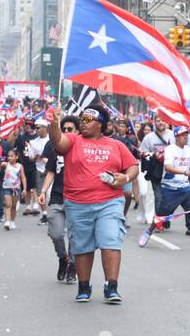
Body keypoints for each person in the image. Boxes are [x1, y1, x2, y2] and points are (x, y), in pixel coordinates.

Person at [47, 104, 139, 304]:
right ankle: (84, 286)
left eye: (89, 120)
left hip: (110, 202)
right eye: (82, 118)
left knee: (110, 240)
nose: (83, 122)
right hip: (78, 203)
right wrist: (54, 124)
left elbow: (133, 166)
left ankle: (111, 286)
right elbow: (58, 141)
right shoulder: (73, 140)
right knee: (82, 246)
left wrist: (125, 177)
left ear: (101, 124)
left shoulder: (116, 145)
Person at [139, 125, 190, 247]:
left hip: (185, 188)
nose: (185, 137)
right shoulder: (170, 149)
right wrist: (185, 172)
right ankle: (148, 232)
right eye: (183, 135)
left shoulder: (189, 150)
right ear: (177, 137)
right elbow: (168, 167)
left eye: (186, 135)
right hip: (170, 189)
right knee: (160, 217)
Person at [40, 114, 79, 282]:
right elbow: (50, 171)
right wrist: (43, 191)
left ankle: (72, 265)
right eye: (64, 129)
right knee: (56, 233)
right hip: (57, 196)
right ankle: (62, 258)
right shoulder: (53, 145)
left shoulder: (82, 145)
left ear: (77, 131)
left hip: (77, 198)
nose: (66, 132)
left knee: (75, 236)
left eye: (70, 129)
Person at [1, 148, 26, 230]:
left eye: (12, 156)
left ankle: (12, 221)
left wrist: (24, 189)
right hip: (7, 187)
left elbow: (23, 177)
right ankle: (7, 221)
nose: (10, 158)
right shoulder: (6, 164)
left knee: (14, 206)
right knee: (8, 204)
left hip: (16, 188)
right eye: (8, 156)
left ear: (16, 157)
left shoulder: (20, 166)